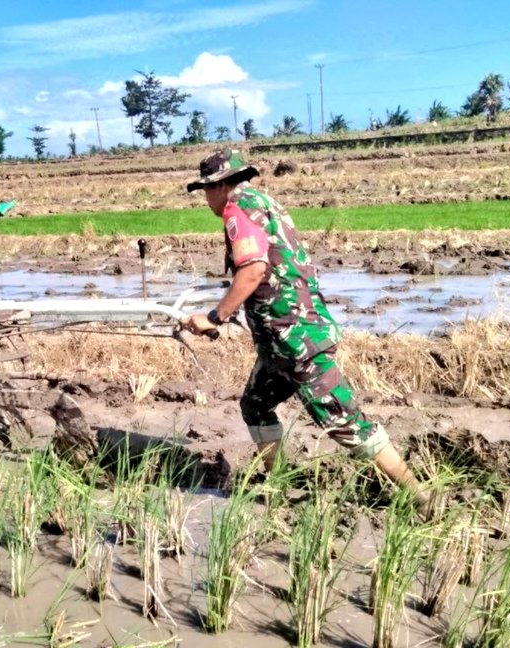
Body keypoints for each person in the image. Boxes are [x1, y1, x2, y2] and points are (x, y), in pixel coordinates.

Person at [181, 149, 428, 509]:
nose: (206, 199)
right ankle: (278, 484)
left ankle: (420, 496)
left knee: (346, 422)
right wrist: (234, 305)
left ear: (219, 186)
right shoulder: (267, 204)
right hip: (280, 342)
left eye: (206, 191)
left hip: (295, 339)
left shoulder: (238, 209)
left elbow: (252, 270)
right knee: (255, 404)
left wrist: (214, 317)